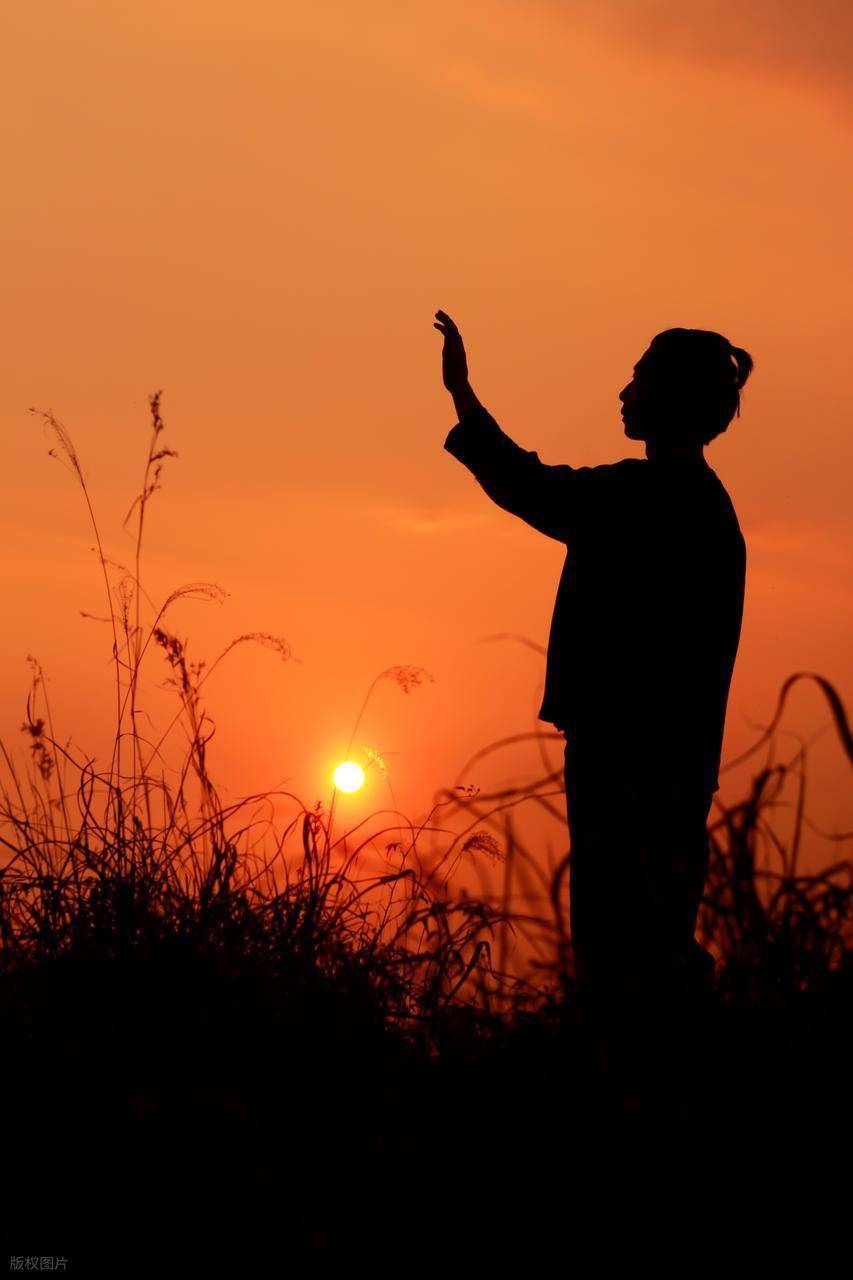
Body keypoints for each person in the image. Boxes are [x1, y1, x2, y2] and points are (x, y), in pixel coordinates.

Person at [434, 309, 751, 1092]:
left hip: (632, 761)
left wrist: (462, 398)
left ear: (672, 399)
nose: (623, 391)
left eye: (640, 378)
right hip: (664, 764)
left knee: (626, 957)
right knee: (647, 948)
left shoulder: (653, 501)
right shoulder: (698, 505)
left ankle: (648, 1104)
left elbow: (528, 486)